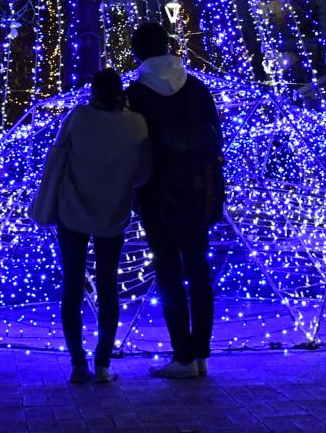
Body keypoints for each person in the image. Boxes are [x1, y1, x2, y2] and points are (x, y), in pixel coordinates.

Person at [28, 68, 152, 384]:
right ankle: (104, 364)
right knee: (108, 288)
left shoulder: (78, 117)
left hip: (72, 212)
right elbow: (144, 175)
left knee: (72, 287)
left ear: (93, 91)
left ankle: (77, 363)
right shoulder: (136, 123)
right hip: (113, 213)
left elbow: (56, 158)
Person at [124, 22, 224, 380]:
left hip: (157, 193)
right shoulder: (197, 87)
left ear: (138, 52)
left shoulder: (135, 93)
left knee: (168, 271)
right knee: (198, 269)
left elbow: (130, 145)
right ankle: (200, 355)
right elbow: (216, 136)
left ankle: (182, 354)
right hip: (200, 191)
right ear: (168, 47)